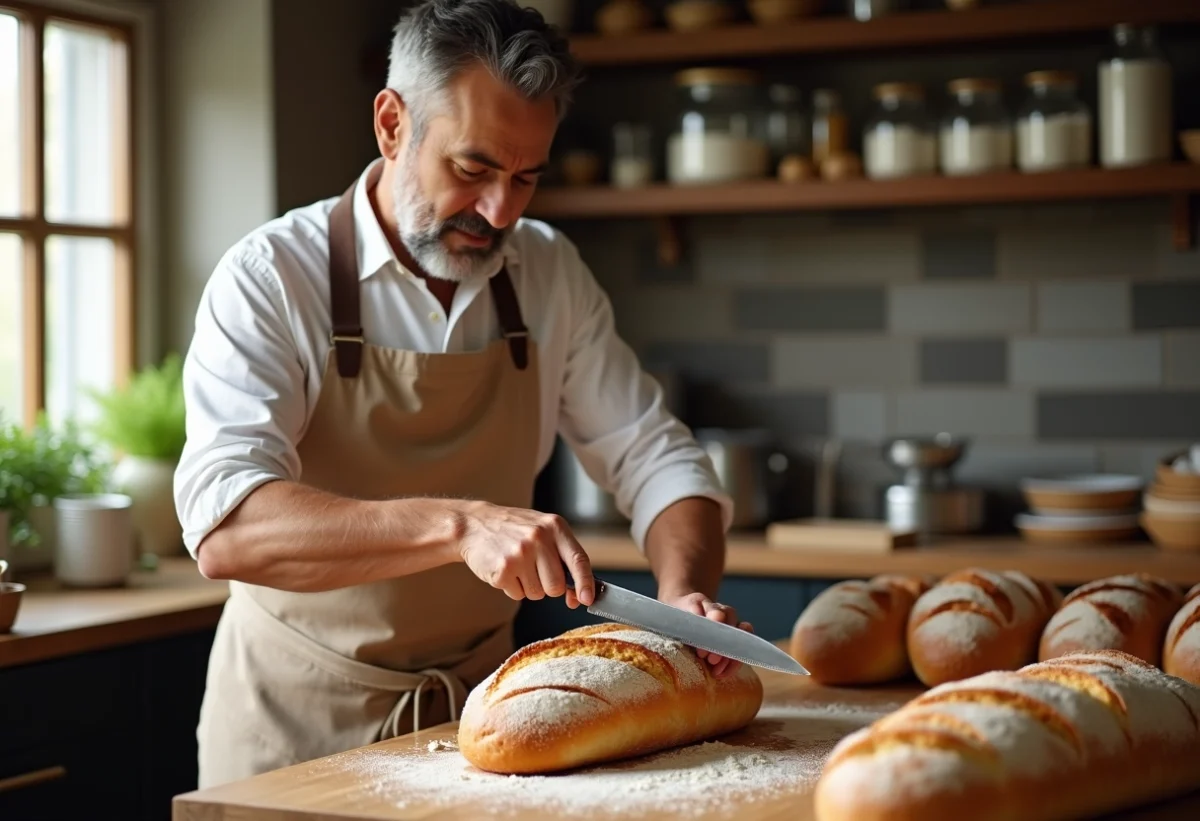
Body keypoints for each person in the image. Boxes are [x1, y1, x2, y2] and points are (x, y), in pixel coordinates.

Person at [174, 0, 753, 789]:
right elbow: (227, 527)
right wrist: (460, 524)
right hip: (291, 727)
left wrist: (685, 592)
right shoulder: (271, 277)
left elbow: (657, 457)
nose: (501, 211)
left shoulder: (548, 274)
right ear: (390, 124)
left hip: (485, 724)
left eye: (526, 177)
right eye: (473, 168)